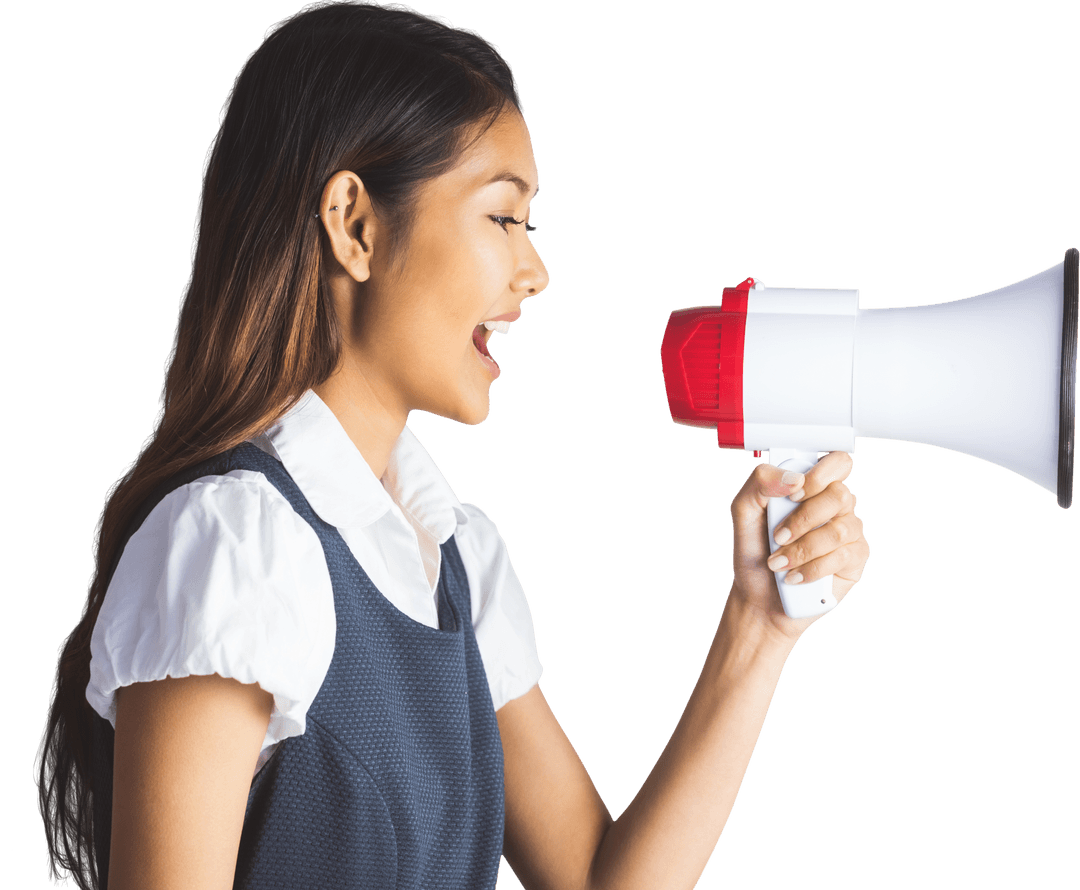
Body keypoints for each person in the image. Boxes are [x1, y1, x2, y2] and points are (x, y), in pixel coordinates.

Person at [35, 2, 870, 888]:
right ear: (354, 224)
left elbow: (596, 881)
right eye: (503, 219)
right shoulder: (235, 542)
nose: (535, 272)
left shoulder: (456, 562)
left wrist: (760, 626)